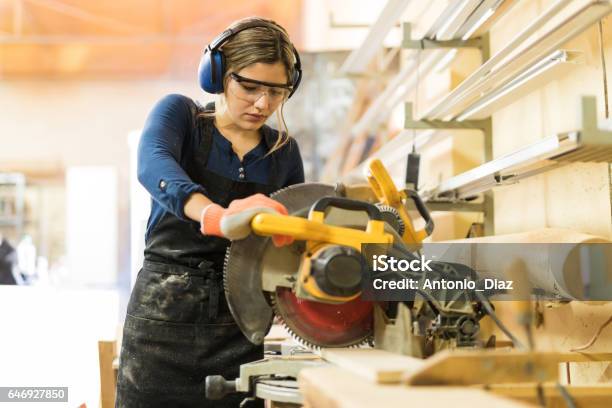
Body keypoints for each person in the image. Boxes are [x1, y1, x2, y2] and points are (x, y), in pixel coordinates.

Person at [115, 16, 304, 407]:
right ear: (218, 75)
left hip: (238, 326)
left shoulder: (283, 151)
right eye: (250, 87)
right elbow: (153, 164)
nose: (263, 104)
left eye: (277, 91)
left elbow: (290, 243)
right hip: (161, 323)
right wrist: (214, 216)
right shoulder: (181, 117)